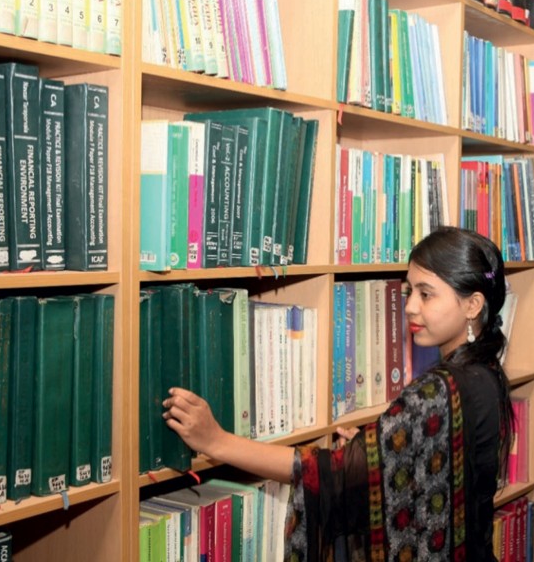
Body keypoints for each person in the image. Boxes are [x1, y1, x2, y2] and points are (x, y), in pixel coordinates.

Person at [162, 226, 515, 561]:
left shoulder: (438, 389)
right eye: (409, 291)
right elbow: (445, 461)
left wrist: (217, 441)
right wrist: (379, 450)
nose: (409, 306)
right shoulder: (487, 372)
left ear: (472, 305)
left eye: (426, 294)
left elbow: (325, 472)